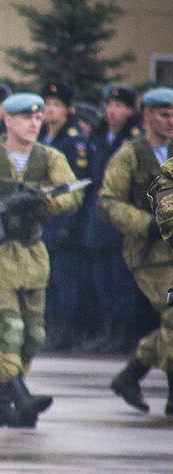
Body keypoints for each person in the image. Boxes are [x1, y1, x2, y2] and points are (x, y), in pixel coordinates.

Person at [0, 93, 84, 428]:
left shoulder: (49, 157)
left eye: (37, 118)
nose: (34, 124)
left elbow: (73, 193)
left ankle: (1, 404)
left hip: (31, 253)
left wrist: (42, 203)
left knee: (34, 334)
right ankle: (20, 394)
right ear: (8, 122)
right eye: (26, 118)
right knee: (10, 327)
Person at [99, 87, 173, 414]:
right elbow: (107, 202)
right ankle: (151, 383)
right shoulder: (131, 154)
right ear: (147, 116)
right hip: (150, 255)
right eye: (163, 114)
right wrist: (145, 224)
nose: (171, 120)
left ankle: (135, 376)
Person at [83, 84, 143, 354]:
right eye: (108, 105)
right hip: (99, 222)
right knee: (102, 281)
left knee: (122, 282)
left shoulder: (134, 139)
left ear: (130, 110)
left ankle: (122, 332)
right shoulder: (99, 135)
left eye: (118, 106)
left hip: (122, 223)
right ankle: (107, 330)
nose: (112, 110)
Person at [37, 80, 94, 350]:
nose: (50, 110)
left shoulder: (74, 142)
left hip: (65, 224)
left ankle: (65, 329)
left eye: (56, 105)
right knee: (47, 279)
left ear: (68, 109)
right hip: (45, 222)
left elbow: (78, 186)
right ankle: (50, 327)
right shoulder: (41, 138)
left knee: (65, 280)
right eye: (47, 104)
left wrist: (68, 226)